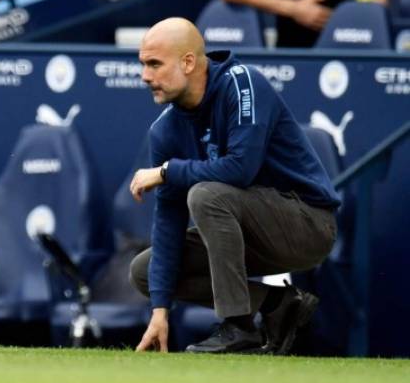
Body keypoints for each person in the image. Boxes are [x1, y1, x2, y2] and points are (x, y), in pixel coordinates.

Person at [129, 17, 340, 353]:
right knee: (144, 271)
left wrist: (168, 171)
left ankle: (237, 327)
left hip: (308, 224)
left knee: (206, 195)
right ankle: (277, 303)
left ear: (188, 62)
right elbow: (169, 220)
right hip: (247, 234)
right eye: (143, 64)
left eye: (154, 64)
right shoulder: (164, 130)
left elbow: (240, 169)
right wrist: (160, 312)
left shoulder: (244, 84)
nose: (145, 76)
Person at [219, 0, 388, 47]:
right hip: (291, 57)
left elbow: (377, 4)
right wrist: (294, 8)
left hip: (342, 52)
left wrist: (343, 22)